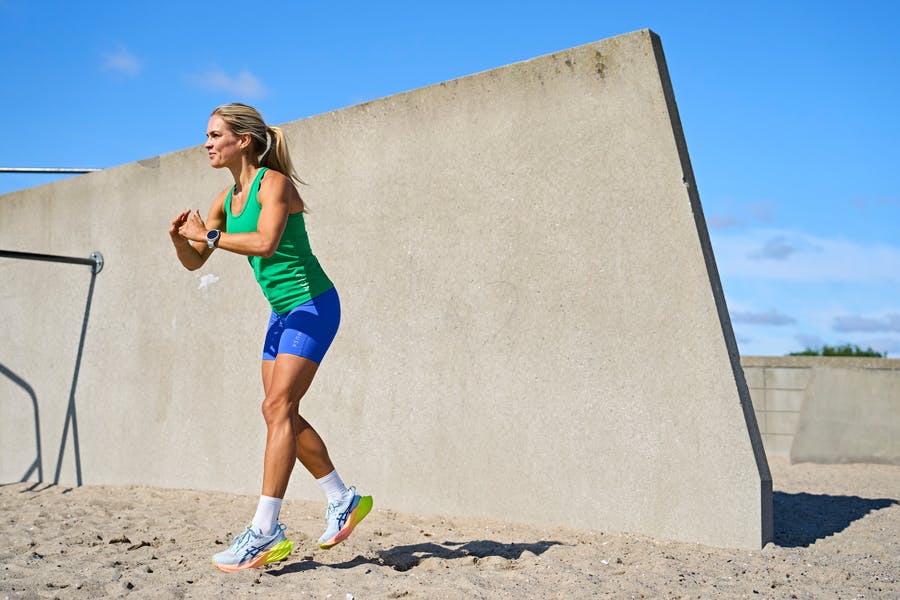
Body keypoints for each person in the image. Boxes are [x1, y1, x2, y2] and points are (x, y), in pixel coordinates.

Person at [168, 103, 372, 572]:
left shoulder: (274, 183)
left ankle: (264, 531)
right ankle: (342, 498)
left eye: (216, 135)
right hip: (281, 314)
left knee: (277, 408)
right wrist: (183, 239)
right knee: (279, 412)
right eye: (207, 135)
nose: (207, 143)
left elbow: (265, 242)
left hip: (313, 305)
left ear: (243, 140)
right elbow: (196, 261)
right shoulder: (224, 200)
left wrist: (211, 237)